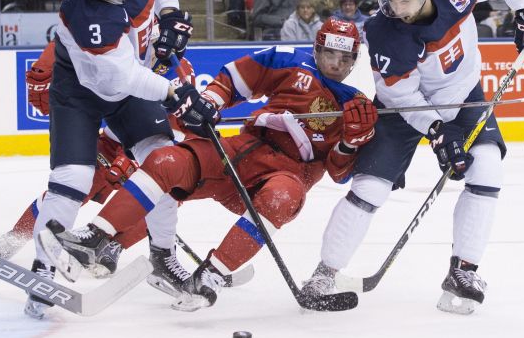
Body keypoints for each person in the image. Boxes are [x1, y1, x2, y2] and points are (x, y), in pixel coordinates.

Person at [45, 18, 378, 310]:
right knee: (166, 161)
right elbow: (235, 78)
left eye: (344, 57)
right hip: (242, 152)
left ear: (354, 60)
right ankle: (96, 239)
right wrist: (209, 104)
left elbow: (338, 173)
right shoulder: (290, 62)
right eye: (330, 54)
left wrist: (351, 142)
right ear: (317, 50)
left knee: (282, 197)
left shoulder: (355, 105)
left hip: (286, 176)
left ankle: (210, 276)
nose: (335, 63)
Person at [302, 0, 524, 314]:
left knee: (487, 167)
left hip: (463, 96)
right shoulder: (383, 32)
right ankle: (324, 274)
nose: (398, 8)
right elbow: (399, 95)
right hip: (406, 110)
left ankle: (463, 271)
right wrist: (437, 132)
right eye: (390, 0)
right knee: (370, 186)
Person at [24, 0, 196, 320]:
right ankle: (43, 271)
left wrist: (168, 15)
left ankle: (162, 257)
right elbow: (123, 78)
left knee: (165, 164)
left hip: (130, 81)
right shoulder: (82, 12)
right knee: (72, 181)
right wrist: (174, 93)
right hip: (80, 94)